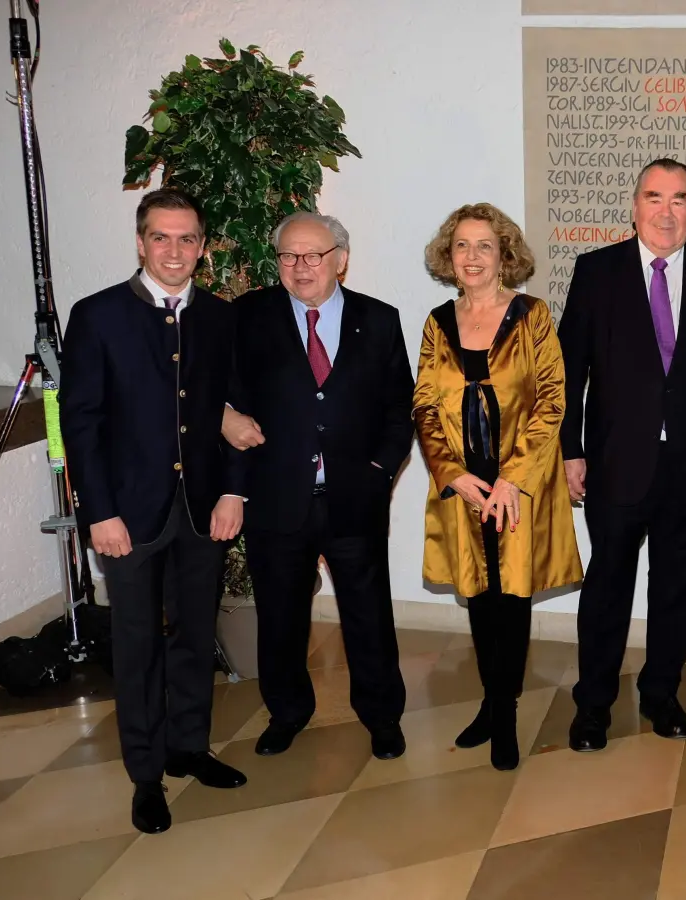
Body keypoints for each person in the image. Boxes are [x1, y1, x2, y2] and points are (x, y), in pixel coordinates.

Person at [60, 188, 247, 835]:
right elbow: (81, 424)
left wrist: (233, 492)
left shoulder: (220, 318)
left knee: (195, 635)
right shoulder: (97, 316)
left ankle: (189, 746)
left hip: (202, 509)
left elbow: (235, 412)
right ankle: (145, 775)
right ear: (141, 243)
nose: (174, 250)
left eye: (187, 238)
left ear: (202, 246)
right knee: (138, 645)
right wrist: (99, 513)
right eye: (161, 237)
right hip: (128, 515)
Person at [558, 158, 686, 751]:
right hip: (616, 460)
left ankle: (661, 692)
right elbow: (569, 369)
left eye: (679, 199)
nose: (667, 212)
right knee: (608, 587)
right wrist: (570, 450)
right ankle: (593, 704)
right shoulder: (596, 271)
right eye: (654, 197)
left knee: (679, 585)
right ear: (635, 206)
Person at [218, 212, 414, 762]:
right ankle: (287, 712)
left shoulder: (379, 319)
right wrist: (232, 471)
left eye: (314, 255)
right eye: (288, 255)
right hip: (276, 497)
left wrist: (380, 471)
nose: (300, 266)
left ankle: (382, 716)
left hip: (355, 497)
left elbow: (401, 406)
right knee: (280, 617)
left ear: (341, 260)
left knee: (368, 616)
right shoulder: (248, 317)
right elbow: (225, 398)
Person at [414, 202, 583, 770]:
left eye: (484, 245)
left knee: (512, 600)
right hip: (464, 484)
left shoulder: (532, 316)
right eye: (461, 245)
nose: (472, 256)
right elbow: (424, 406)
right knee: (479, 597)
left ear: (504, 254)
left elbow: (553, 400)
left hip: (518, 483)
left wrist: (512, 479)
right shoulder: (438, 321)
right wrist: (452, 475)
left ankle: (506, 714)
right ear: (448, 255)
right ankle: (490, 703)